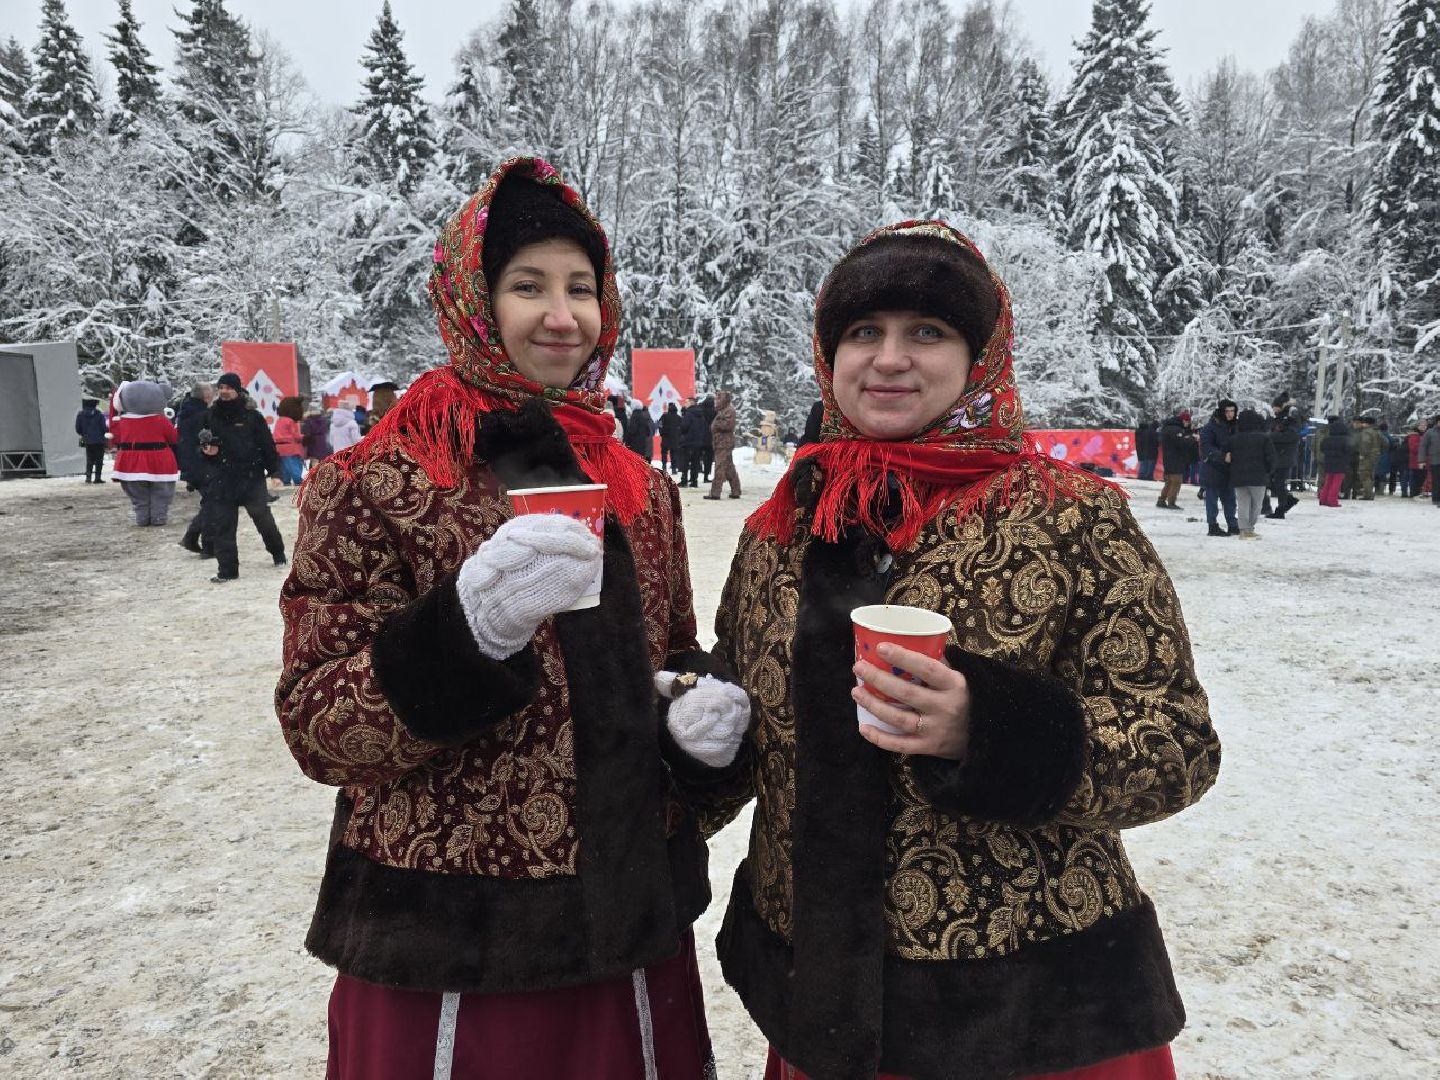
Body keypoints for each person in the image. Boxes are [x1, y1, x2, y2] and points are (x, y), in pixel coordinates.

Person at [694, 221, 1218, 1080]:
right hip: (824, 998)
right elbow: (750, 715)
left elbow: (1177, 746)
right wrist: (693, 731)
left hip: (1028, 1017)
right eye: (863, 333)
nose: (889, 359)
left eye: (926, 333)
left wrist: (989, 728)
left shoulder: (1068, 514)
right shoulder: (786, 523)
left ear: (979, 356)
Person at [275, 157, 748, 1080]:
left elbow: (668, 658)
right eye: (527, 286)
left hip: (631, 927)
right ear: (471, 300)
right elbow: (320, 727)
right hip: (455, 947)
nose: (561, 315)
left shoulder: (638, 488)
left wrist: (695, 731)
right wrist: (468, 633)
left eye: (581, 287)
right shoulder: (378, 478)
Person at [202, 372, 287, 582]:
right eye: (221, 387)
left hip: (251, 477)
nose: (224, 391)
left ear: (237, 390)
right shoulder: (211, 414)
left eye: (228, 387)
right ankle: (227, 571)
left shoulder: (252, 416)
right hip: (222, 477)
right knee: (223, 526)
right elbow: (200, 443)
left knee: (263, 519)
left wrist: (275, 472)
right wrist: (205, 451)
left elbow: (267, 446)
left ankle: (278, 553)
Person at [109, 381, 179, 526]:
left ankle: (142, 517)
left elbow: (115, 438)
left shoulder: (121, 422)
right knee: (161, 491)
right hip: (159, 460)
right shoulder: (161, 420)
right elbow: (173, 438)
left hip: (130, 463)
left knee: (137, 493)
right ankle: (158, 516)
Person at [1229, 408, 1277, 539]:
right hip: (1258, 476)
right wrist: (1269, 471)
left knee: (1243, 503)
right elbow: (1271, 457)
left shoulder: (1234, 439)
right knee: (1257, 505)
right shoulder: (1263, 438)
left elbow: (1228, 456)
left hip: (1238, 476)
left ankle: (1244, 530)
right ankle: (1249, 528)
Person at [1198, 398, 1239, 536]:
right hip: (1212, 469)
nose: (1230, 414)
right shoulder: (1210, 428)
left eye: (1232, 411)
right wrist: (1222, 456)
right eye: (1227, 411)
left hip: (1229, 470)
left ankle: (1232, 524)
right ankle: (1212, 525)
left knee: (1230, 500)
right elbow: (1206, 447)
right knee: (1212, 501)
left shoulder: (1235, 427)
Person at [1263, 394, 1301, 519]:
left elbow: (1291, 436)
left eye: (1275, 407)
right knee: (1272, 482)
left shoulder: (1290, 419)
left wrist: (1271, 436)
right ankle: (1287, 500)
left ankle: (1281, 508)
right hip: (1277, 456)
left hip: (1285, 456)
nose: (1273, 409)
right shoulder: (1278, 419)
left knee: (1278, 483)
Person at [704, 390, 741, 500]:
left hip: (724, 443)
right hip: (720, 442)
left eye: (719, 398)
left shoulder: (729, 410)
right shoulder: (722, 411)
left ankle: (715, 493)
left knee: (719, 467)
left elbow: (728, 425)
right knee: (729, 468)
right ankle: (736, 490)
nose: (717, 400)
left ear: (725, 400)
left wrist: (716, 425)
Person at [1156, 408, 1196, 509]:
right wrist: (1192, 439)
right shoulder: (1176, 430)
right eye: (1187, 421)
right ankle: (1171, 502)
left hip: (1169, 458)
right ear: (1183, 420)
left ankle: (1161, 500)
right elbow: (1181, 443)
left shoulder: (1169, 427)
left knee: (1169, 481)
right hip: (1175, 459)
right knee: (1176, 481)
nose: (1188, 424)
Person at [1317, 416, 1351, 508]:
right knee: (1336, 483)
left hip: (1329, 462)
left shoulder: (1327, 439)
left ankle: (1323, 499)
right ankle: (1332, 500)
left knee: (1328, 481)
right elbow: (1348, 450)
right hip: (1341, 463)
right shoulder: (1345, 440)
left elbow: (1322, 448)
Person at [273, 396, 307, 485]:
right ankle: (298, 480)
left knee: (284, 465)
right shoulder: (290, 421)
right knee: (294, 464)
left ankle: (286, 480)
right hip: (290, 447)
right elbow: (295, 435)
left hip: (279, 447)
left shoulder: (279, 420)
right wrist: (304, 437)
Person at [74, 398, 108, 483]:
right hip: (99, 440)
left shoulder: (80, 414)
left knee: (89, 459)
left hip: (88, 440)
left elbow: (78, 428)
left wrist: (84, 434)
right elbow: (104, 427)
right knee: (99, 460)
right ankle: (97, 478)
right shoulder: (99, 414)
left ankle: (88, 477)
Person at [1351, 416, 1384, 500]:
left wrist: (1362, 454)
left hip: (1367, 456)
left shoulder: (1366, 432)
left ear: (1366, 423)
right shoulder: (1377, 431)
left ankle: (1368, 494)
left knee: (1364, 475)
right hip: (1375, 456)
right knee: (1370, 475)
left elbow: (1365, 443)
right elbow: (1385, 443)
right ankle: (1369, 493)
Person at [679, 399, 706, 488]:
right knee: (695, 462)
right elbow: (704, 427)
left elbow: (684, 427)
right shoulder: (701, 414)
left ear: (691, 403)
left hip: (688, 442)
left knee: (685, 462)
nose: (685, 404)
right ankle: (694, 481)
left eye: (686, 402)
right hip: (698, 442)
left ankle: (684, 480)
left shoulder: (688, 414)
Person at [1420, 415, 1440, 506]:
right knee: (1436, 480)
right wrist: (1421, 460)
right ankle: (1436, 499)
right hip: (1435, 460)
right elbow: (1423, 446)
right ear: (1437, 422)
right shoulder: (1430, 432)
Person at [659, 401, 682, 474]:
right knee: (674, 453)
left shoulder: (664, 416)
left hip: (665, 438)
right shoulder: (678, 418)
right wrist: (678, 435)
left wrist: (662, 433)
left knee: (664, 453)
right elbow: (682, 428)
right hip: (675, 439)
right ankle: (674, 468)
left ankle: (664, 467)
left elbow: (659, 425)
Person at [1134, 417, 1159, 481]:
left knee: (1143, 463)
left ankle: (1141, 475)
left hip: (1142, 450)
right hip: (1152, 451)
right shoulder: (1153, 432)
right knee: (1149, 464)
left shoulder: (1139, 432)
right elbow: (1156, 441)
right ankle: (1148, 476)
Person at [697, 394, 716, 483]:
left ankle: (695, 475)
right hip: (710, 438)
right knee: (708, 458)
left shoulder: (700, 410)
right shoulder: (715, 411)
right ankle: (706, 476)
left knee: (697, 457)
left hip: (700, 437)